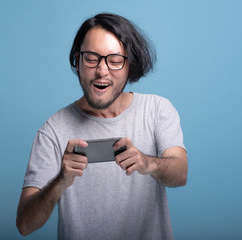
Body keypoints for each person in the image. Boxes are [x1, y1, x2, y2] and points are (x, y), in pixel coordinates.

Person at [16, 13, 188, 240]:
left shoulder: (158, 110)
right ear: (77, 60)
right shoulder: (53, 130)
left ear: (130, 65)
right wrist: (60, 181)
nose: (102, 70)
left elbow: (181, 173)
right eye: (91, 58)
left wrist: (147, 163)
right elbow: (24, 225)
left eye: (115, 60)